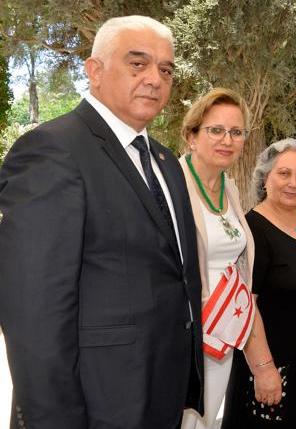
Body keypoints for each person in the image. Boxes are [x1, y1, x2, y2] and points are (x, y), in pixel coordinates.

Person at [0, 16, 204, 428]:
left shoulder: (166, 161)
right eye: (137, 64)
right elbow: (34, 316)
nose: (154, 79)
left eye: (165, 69)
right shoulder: (51, 151)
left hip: (162, 398)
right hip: (96, 407)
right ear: (94, 71)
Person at [178, 88, 279, 429]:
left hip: (223, 333)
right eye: (215, 130)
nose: (227, 140)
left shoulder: (231, 187)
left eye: (236, 132)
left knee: (204, 422)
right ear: (192, 136)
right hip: (184, 335)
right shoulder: (172, 184)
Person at [222, 139, 296, 428]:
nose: (293, 183)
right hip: (274, 370)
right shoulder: (251, 230)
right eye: (283, 174)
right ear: (265, 177)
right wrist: (264, 369)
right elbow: (246, 306)